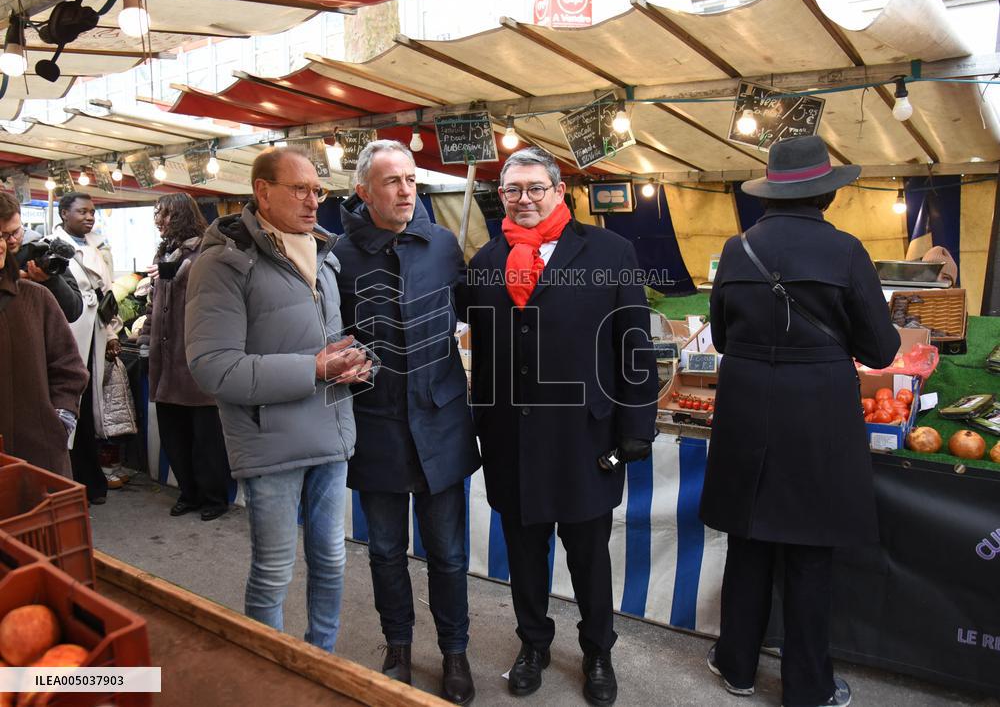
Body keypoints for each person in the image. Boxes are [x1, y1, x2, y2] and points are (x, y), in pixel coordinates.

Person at [699, 135, 900, 707]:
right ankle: (807, 686)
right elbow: (883, 350)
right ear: (825, 196)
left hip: (745, 410)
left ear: (770, 194)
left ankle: (735, 664)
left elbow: (718, 337)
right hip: (816, 415)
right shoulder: (846, 252)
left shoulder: (737, 250)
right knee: (810, 552)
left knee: (750, 538)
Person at [460, 147, 658, 706]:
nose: (523, 199)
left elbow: (633, 344)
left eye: (534, 189)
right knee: (523, 554)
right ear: (500, 195)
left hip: (583, 437)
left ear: (558, 190)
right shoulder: (484, 261)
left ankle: (598, 650)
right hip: (511, 437)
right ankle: (533, 643)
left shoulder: (610, 252)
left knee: (589, 555)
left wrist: (635, 423)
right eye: (511, 190)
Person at [185, 147, 372, 652]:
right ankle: (266, 667)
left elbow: (322, 340)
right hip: (269, 444)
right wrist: (314, 368)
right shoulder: (223, 264)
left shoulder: (323, 255)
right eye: (301, 189)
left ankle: (322, 660)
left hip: (330, 432)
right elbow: (212, 366)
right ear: (262, 192)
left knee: (332, 560)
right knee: (273, 570)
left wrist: (348, 362)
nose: (314, 201)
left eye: (318, 190)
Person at [335, 140, 480, 704]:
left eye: (411, 180)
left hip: (441, 424)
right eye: (391, 181)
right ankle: (398, 646)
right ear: (363, 191)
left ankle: (455, 651)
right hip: (376, 428)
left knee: (448, 553)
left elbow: (474, 315)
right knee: (386, 551)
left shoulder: (444, 245)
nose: (404, 190)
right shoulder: (340, 256)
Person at [138, 193, 232, 521]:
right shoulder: (163, 252)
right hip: (166, 362)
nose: (158, 220)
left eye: (163, 214)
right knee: (174, 435)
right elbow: (153, 303)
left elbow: (220, 300)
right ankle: (188, 493)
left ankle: (214, 498)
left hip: (195, 360)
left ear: (180, 215)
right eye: (156, 214)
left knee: (206, 438)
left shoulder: (206, 250)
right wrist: (147, 338)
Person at [0, 193, 89, 477]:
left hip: (38, 452)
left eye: (13, 232)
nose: (8, 242)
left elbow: (69, 368)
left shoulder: (41, 263)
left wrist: (59, 422)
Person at [51, 192, 124, 504]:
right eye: (82, 211)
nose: (89, 217)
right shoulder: (51, 247)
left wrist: (110, 335)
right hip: (69, 335)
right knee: (70, 406)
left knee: (90, 408)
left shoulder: (97, 246)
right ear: (64, 213)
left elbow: (106, 293)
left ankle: (91, 480)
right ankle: (74, 480)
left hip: (94, 333)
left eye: (93, 212)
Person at [0, 203, 82, 322]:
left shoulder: (42, 251)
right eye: (4, 235)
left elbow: (74, 310)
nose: (12, 240)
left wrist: (50, 280)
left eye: (16, 231)